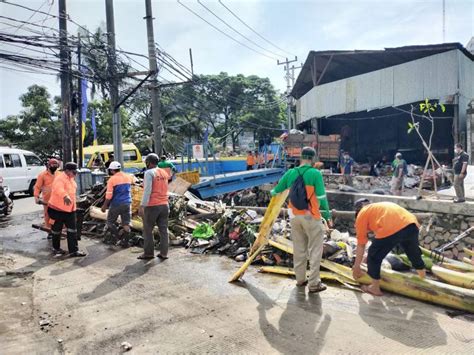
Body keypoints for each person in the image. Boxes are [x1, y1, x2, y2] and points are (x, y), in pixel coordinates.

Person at [271, 147, 331, 293]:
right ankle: (314, 284)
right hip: (311, 216)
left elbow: (275, 191)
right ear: (313, 159)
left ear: (300, 157)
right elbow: (322, 198)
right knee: (315, 250)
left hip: (294, 216)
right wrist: (328, 216)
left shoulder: (291, 173)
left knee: (299, 248)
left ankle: (300, 279)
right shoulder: (315, 173)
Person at [352, 199, 426, 296]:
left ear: (357, 212)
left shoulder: (362, 215)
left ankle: (374, 288)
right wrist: (364, 261)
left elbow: (361, 244)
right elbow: (386, 243)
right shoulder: (377, 208)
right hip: (411, 224)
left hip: (392, 227)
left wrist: (357, 266)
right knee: (413, 253)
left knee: (373, 256)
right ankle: (423, 279)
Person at [47, 162, 86, 257]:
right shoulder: (60, 178)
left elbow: (72, 192)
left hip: (70, 210)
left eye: (76, 172)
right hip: (57, 210)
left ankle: (73, 251)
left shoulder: (71, 179)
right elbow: (58, 189)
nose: (75, 174)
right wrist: (65, 196)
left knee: (72, 230)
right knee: (56, 231)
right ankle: (56, 249)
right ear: (67, 171)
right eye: (74, 172)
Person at [138, 153, 170, 260]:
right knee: (164, 230)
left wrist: (142, 205)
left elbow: (147, 191)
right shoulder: (164, 173)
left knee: (147, 230)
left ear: (148, 163)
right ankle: (164, 253)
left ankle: (148, 253)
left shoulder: (149, 173)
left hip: (152, 206)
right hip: (165, 205)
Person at [101, 161, 134, 246]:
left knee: (110, 222)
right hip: (127, 203)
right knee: (126, 223)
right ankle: (125, 242)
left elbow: (109, 195)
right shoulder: (128, 177)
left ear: (112, 170)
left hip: (116, 204)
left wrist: (104, 205)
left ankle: (116, 238)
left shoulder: (112, 180)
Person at [34, 158, 60, 232]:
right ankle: (49, 231)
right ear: (49, 165)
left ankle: (57, 230)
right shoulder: (42, 175)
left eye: (56, 165)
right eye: (53, 164)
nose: (54, 166)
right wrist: (36, 196)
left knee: (58, 216)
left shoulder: (59, 174)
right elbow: (37, 187)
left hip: (58, 200)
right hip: (47, 200)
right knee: (48, 216)